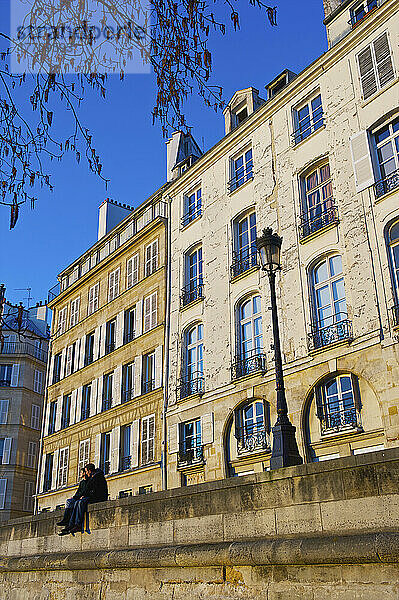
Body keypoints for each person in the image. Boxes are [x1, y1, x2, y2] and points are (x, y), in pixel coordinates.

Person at [59, 463, 108, 536]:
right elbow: (87, 490)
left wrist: (85, 495)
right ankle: (71, 524)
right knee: (77, 502)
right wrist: (82, 495)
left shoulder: (97, 477)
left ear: (90, 471)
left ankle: (77, 524)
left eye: (86, 471)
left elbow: (95, 490)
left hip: (99, 497)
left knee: (80, 502)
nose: (86, 473)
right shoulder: (93, 477)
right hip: (94, 496)